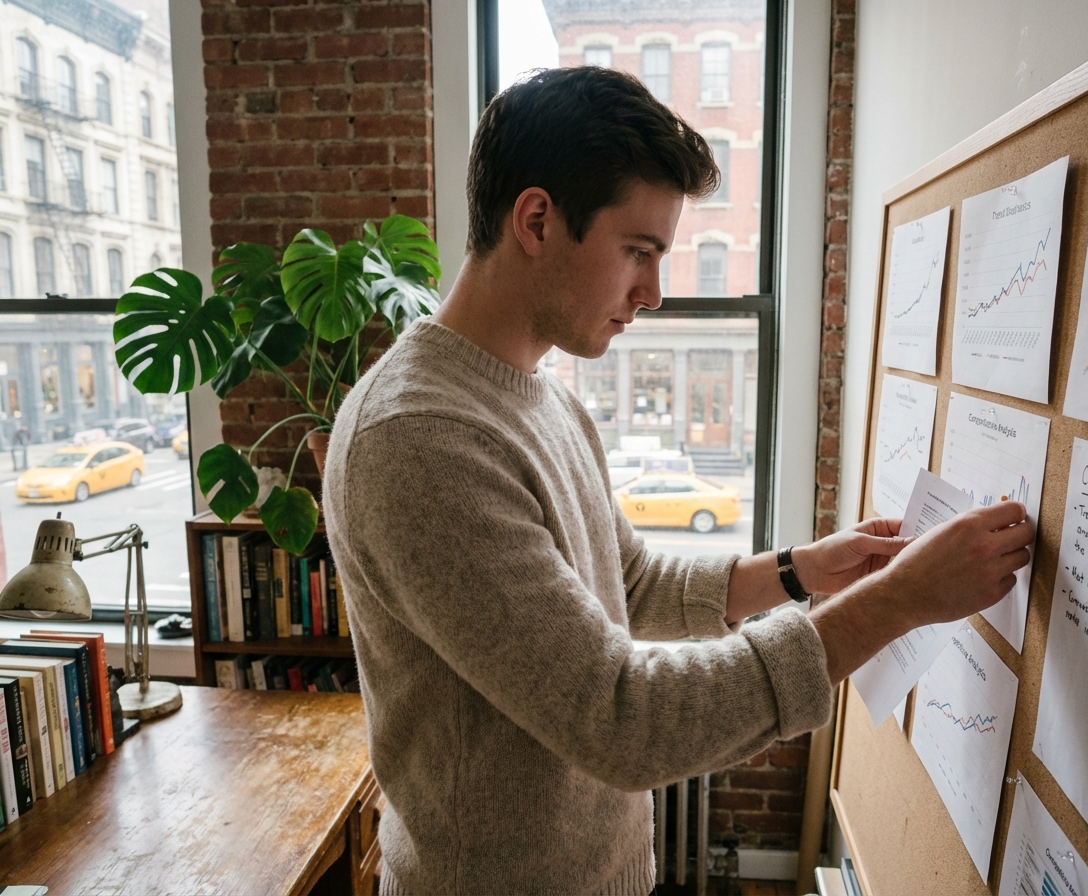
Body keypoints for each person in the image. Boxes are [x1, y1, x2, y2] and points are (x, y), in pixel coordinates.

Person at [324, 66, 1034, 895]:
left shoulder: (544, 397)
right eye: (638, 252)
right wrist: (893, 604)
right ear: (537, 220)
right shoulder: (420, 441)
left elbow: (626, 582)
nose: (654, 294)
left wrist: (801, 572)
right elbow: (619, 718)